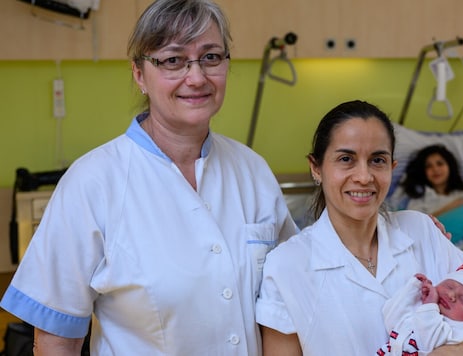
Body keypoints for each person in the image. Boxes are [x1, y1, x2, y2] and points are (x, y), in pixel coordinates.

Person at [0, 1, 298, 354]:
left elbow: (284, 308)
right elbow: (55, 341)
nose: (197, 76)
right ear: (140, 74)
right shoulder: (93, 182)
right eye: (173, 60)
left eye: (211, 57)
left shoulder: (253, 171)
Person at [255, 100, 463, 355]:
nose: (364, 176)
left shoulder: (420, 229)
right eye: (346, 158)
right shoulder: (286, 266)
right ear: (316, 168)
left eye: (377, 160)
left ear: (392, 167)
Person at [376, 259, 463, 356]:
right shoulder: (421, 312)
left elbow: (428, 341)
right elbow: (391, 317)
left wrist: (430, 305)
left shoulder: (462, 330)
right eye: (449, 286)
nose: (451, 295)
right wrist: (414, 288)